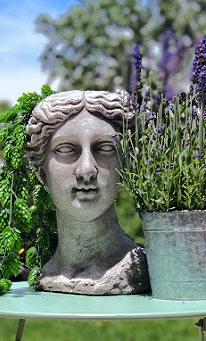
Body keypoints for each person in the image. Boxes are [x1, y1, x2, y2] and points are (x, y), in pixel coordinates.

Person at [26, 90, 150, 295]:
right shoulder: (48, 273)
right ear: (41, 173)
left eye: (105, 148)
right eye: (66, 149)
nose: (86, 170)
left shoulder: (142, 269)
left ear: (126, 167)